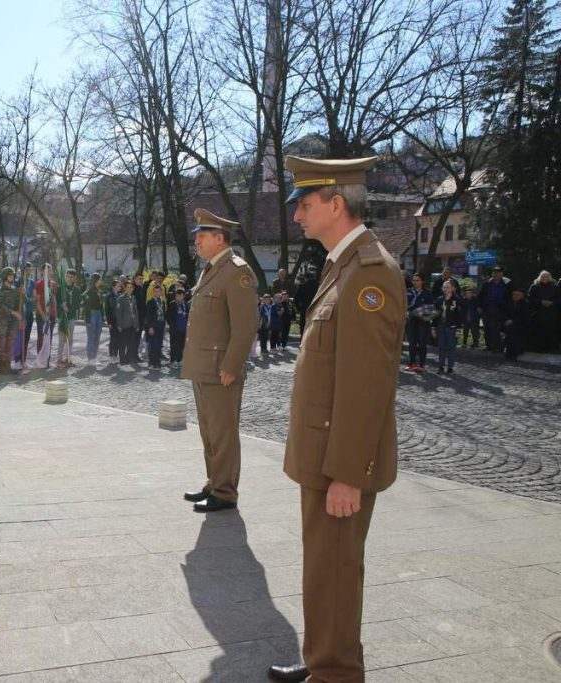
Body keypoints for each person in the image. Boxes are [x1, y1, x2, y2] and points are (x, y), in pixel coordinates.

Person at [269, 155, 405, 683]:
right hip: (322, 455)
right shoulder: (341, 266)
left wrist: (349, 472)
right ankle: (322, 656)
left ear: (336, 204)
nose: (298, 216)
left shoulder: (370, 274)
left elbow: (367, 385)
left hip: (339, 464)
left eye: (304, 205)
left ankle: (337, 673)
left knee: (337, 573)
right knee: (322, 571)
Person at [180, 208, 258, 514]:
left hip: (220, 370)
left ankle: (225, 492)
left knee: (223, 431)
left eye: (202, 236)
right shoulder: (212, 269)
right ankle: (214, 482)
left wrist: (232, 366)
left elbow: (245, 326)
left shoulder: (237, 271)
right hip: (203, 367)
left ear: (220, 238)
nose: (197, 242)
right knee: (209, 429)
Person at [0, 267, 22, 376]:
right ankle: (2, 368)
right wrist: (13, 313)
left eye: (12, 275)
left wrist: (22, 294)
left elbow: (18, 305)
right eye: (9, 275)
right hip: (3, 322)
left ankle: (8, 367)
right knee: (2, 344)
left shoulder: (14, 290)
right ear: (5, 277)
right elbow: (1, 306)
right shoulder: (0, 290)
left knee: (10, 344)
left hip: (12, 323)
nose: (12, 277)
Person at [479, 266, 512, 352]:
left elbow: (509, 298)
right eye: (494, 272)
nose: (496, 274)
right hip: (487, 309)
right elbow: (481, 296)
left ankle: (498, 347)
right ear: (492, 274)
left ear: (502, 274)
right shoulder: (486, 283)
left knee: (498, 329)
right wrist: (479, 307)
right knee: (487, 328)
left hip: (500, 310)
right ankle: (489, 345)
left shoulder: (507, 284)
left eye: (498, 272)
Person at [405, 273, 434, 372]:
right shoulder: (408, 292)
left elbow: (430, 308)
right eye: (413, 280)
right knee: (412, 343)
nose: (415, 282)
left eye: (417, 280)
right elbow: (404, 304)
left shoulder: (427, 293)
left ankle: (421, 364)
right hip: (411, 321)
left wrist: (420, 312)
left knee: (422, 344)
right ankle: (411, 363)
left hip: (423, 322)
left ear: (422, 281)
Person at [435, 279, 463, 374]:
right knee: (441, 347)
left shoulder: (457, 300)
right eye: (444, 287)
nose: (445, 289)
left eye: (447, 287)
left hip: (452, 327)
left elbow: (460, 315)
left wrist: (459, 328)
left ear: (453, 288)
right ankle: (441, 366)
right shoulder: (439, 300)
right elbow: (435, 315)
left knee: (451, 347)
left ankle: (450, 367)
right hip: (441, 326)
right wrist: (433, 327)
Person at [528, 270, 559, 353]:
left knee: (552, 331)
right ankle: (539, 349)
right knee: (539, 331)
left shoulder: (555, 287)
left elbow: (559, 299)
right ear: (539, 277)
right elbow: (530, 298)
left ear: (550, 278)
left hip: (552, 313)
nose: (545, 278)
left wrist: (552, 303)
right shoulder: (534, 286)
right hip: (538, 313)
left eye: (547, 276)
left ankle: (552, 349)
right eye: (543, 276)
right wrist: (541, 302)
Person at [58, 269, 82, 368]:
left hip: (71, 317)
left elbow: (77, 303)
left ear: (74, 278)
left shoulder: (77, 290)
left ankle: (68, 358)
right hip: (62, 317)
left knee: (70, 338)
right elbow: (56, 301)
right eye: (67, 276)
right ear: (65, 277)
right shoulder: (61, 288)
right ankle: (59, 359)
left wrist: (71, 308)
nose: (69, 278)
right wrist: (62, 306)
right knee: (62, 339)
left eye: (71, 277)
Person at [115, 280, 140, 365]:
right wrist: (119, 325)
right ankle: (122, 359)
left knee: (131, 343)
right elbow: (118, 313)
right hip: (124, 324)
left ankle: (128, 358)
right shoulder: (121, 298)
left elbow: (135, 312)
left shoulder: (133, 298)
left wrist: (137, 324)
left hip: (132, 324)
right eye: (128, 287)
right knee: (123, 343)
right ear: (125, 288)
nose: (129, 289)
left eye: (131, 287)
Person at [82, 273, 105, 362]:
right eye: (100, 279)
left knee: (97, 336)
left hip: (98, 314)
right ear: (95, 280)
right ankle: (90, 357)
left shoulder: (99, 291)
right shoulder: (89, 291)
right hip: (91, 314)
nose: (101, 281)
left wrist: (102, 317)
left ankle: (94, 356)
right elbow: (86, 305)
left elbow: (101, 305)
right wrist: (87, 319)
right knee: (91, 336)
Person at [18, 262, 37, 367]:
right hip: (20, 314)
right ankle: (17, 359)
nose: (28, 272)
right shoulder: (18, 282)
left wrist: (28, 298)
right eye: (26, 270)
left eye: (30, 270)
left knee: (26, 337)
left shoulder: (32, 282)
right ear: (22, 270)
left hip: (29, 313)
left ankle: (23, 360)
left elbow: (34, 298)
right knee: (19, 337)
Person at [144, 282, 167, 368]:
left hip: (161, 325)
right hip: (153, 326)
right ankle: (151, 362)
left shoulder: (163, 302)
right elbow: (148, 316)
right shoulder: (150, 302)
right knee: (153, 344)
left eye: (159, 291)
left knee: (159, 344)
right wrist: (150, 327)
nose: (157, 293)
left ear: (161, 292)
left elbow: (164, 314)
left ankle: (157, 362)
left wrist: (165, 325)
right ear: (153, 292)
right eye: (155, 291)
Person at [166, 286, 190, 368]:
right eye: (177, 295)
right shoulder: (172, 304)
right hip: (174, 329)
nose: (179, 297)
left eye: (181, 295)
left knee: (181, 345)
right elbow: (168, 316)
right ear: (175, 296)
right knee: (173, 345)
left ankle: (179, 360)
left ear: (183, 296)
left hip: (183, 328)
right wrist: (171, 325)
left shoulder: (186, 304)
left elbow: (188, 315)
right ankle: (173, 360)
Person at [504, 288, 530, 360]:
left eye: (517, 295)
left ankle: (515, 353)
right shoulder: (509, 302)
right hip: (508, 323)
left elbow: (524, 316)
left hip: (521, 324)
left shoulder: (525, 303)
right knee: (509, 334)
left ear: (522, 296)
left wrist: (513, 321)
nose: (515, 296)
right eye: (514, 294)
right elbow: (504, 312)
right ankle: (509, 353)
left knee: (515, 334)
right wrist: (507, 319)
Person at [105, 279, 122, 362]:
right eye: (118, 285)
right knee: (113, 338)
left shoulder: (120, 295)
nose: (120, 287)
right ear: (113, 286)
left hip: (119, 321)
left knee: (119, 338)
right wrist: (109, 322)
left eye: (120, 285)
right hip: (112, 321)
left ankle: (116, 354)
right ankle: (112, 355)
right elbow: (107, 310)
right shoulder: (109, 296)